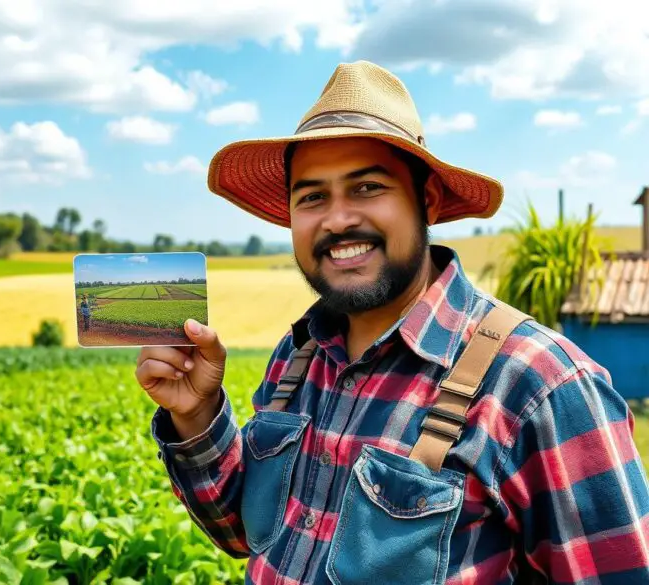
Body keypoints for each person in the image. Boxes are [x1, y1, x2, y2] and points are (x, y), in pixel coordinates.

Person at [134, 60, 649, 584]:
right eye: (312, 197)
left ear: (424, 200)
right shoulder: (298, 357)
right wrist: (197, 415)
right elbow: (245, 535)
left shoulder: (539, 384)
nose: (337, 219)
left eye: (367, 188)